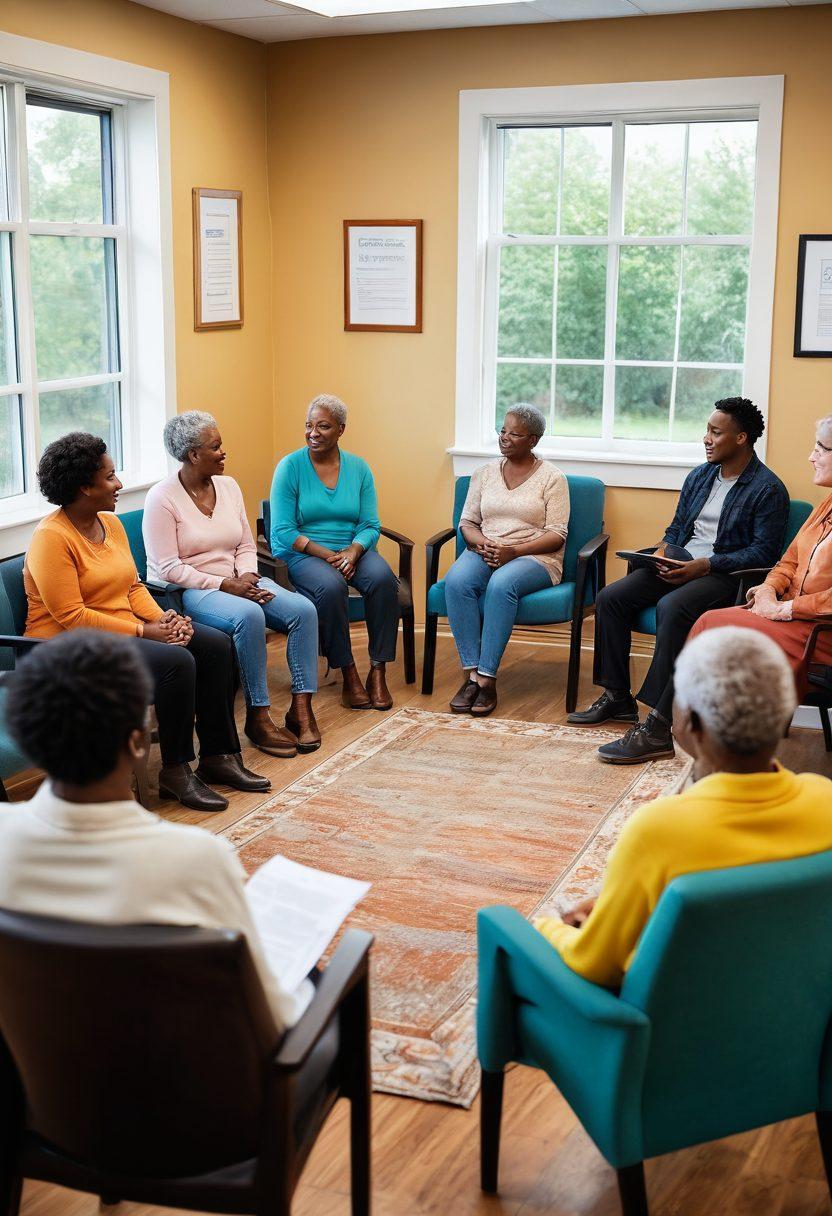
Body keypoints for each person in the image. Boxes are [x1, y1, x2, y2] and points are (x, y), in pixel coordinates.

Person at [0, 630, 311, 1031]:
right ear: (136, 744)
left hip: (50, 1080)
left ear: (28, 741)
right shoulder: (197, 858)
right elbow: (274, 1016)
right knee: (312, 973)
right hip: (184, 1082)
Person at [535, 627, 832, 989]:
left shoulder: (658, 831)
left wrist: (548, 926)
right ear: (783, 712)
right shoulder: (824, 802)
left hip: (672, 1037)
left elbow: (594, 965)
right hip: (794, 1021)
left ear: (690, 724)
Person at [23, 432, 269, 812]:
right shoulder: (51, 538)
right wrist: (145, 631)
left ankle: (218, 756)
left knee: (214, 645)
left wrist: (166, 619)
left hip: (116, 633)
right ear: (84, 487)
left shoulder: (112, 525)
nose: (119, 484)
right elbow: (72, 616)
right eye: (109, 476)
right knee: (176, 662)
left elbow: (133, 586)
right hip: (64, 648)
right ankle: (175, 769)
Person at [567, 398, 789, 764]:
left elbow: (762, 554)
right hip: (682, 564)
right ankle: (617, 696)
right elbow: (676, 528)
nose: (706, 438)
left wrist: (705, 564)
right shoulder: (701, 475)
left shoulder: (768, 489)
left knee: (672, 607)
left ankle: (658, 726)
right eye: (707, 430)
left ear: (741, 438)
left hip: (724, 576)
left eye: (716, 432)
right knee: (611, 597)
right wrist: (664, 552)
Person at [143, 412, 321, 756]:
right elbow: (167, 568)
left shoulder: (228, 486)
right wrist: (225, 584)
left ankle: (301, 709)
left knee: (303, 610)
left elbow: (244, 543)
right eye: (216, 446)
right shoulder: (161, 498)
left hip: (240, 580)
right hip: (193, 591)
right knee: (249, 615)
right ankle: (258, 715)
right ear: (193, 454)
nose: (224, 452)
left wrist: (246, 573)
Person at [269, 394, 399, 711]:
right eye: (309, 425)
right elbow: (282, 531)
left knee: (383, 580)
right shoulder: (290, 467)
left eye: (323, 426)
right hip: (303, 552)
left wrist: (353, 552)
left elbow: (370, 523)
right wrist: (330, 557)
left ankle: (378, 670)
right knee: (330, 586)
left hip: (352, 548)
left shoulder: (359, 468)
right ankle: (348, 671)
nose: (313, 432)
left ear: (341, 429)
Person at [686, 415, 832, 692]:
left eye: (820, 449)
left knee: (712, 628)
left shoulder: (767, 487)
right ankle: (683, 727)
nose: (811, 457)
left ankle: (673, 728)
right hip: (793, 619)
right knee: (710, 624)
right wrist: (767, 590)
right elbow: (788, 562)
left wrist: (785, 609)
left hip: (819, 632)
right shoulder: (825, 505)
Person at [444, 404, 569, 717]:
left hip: (536, 556)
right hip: (486, 549)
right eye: (503, 430)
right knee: (457, 581)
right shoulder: (484, 473)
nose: (505, 438)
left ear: (533, 440)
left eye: (515, 433)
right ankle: (471, 675)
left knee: (501, 584)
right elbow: (467, 523)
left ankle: (487, 679)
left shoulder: (553, 478)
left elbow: (557, 535)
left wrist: (513, 552)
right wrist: (485, 544)